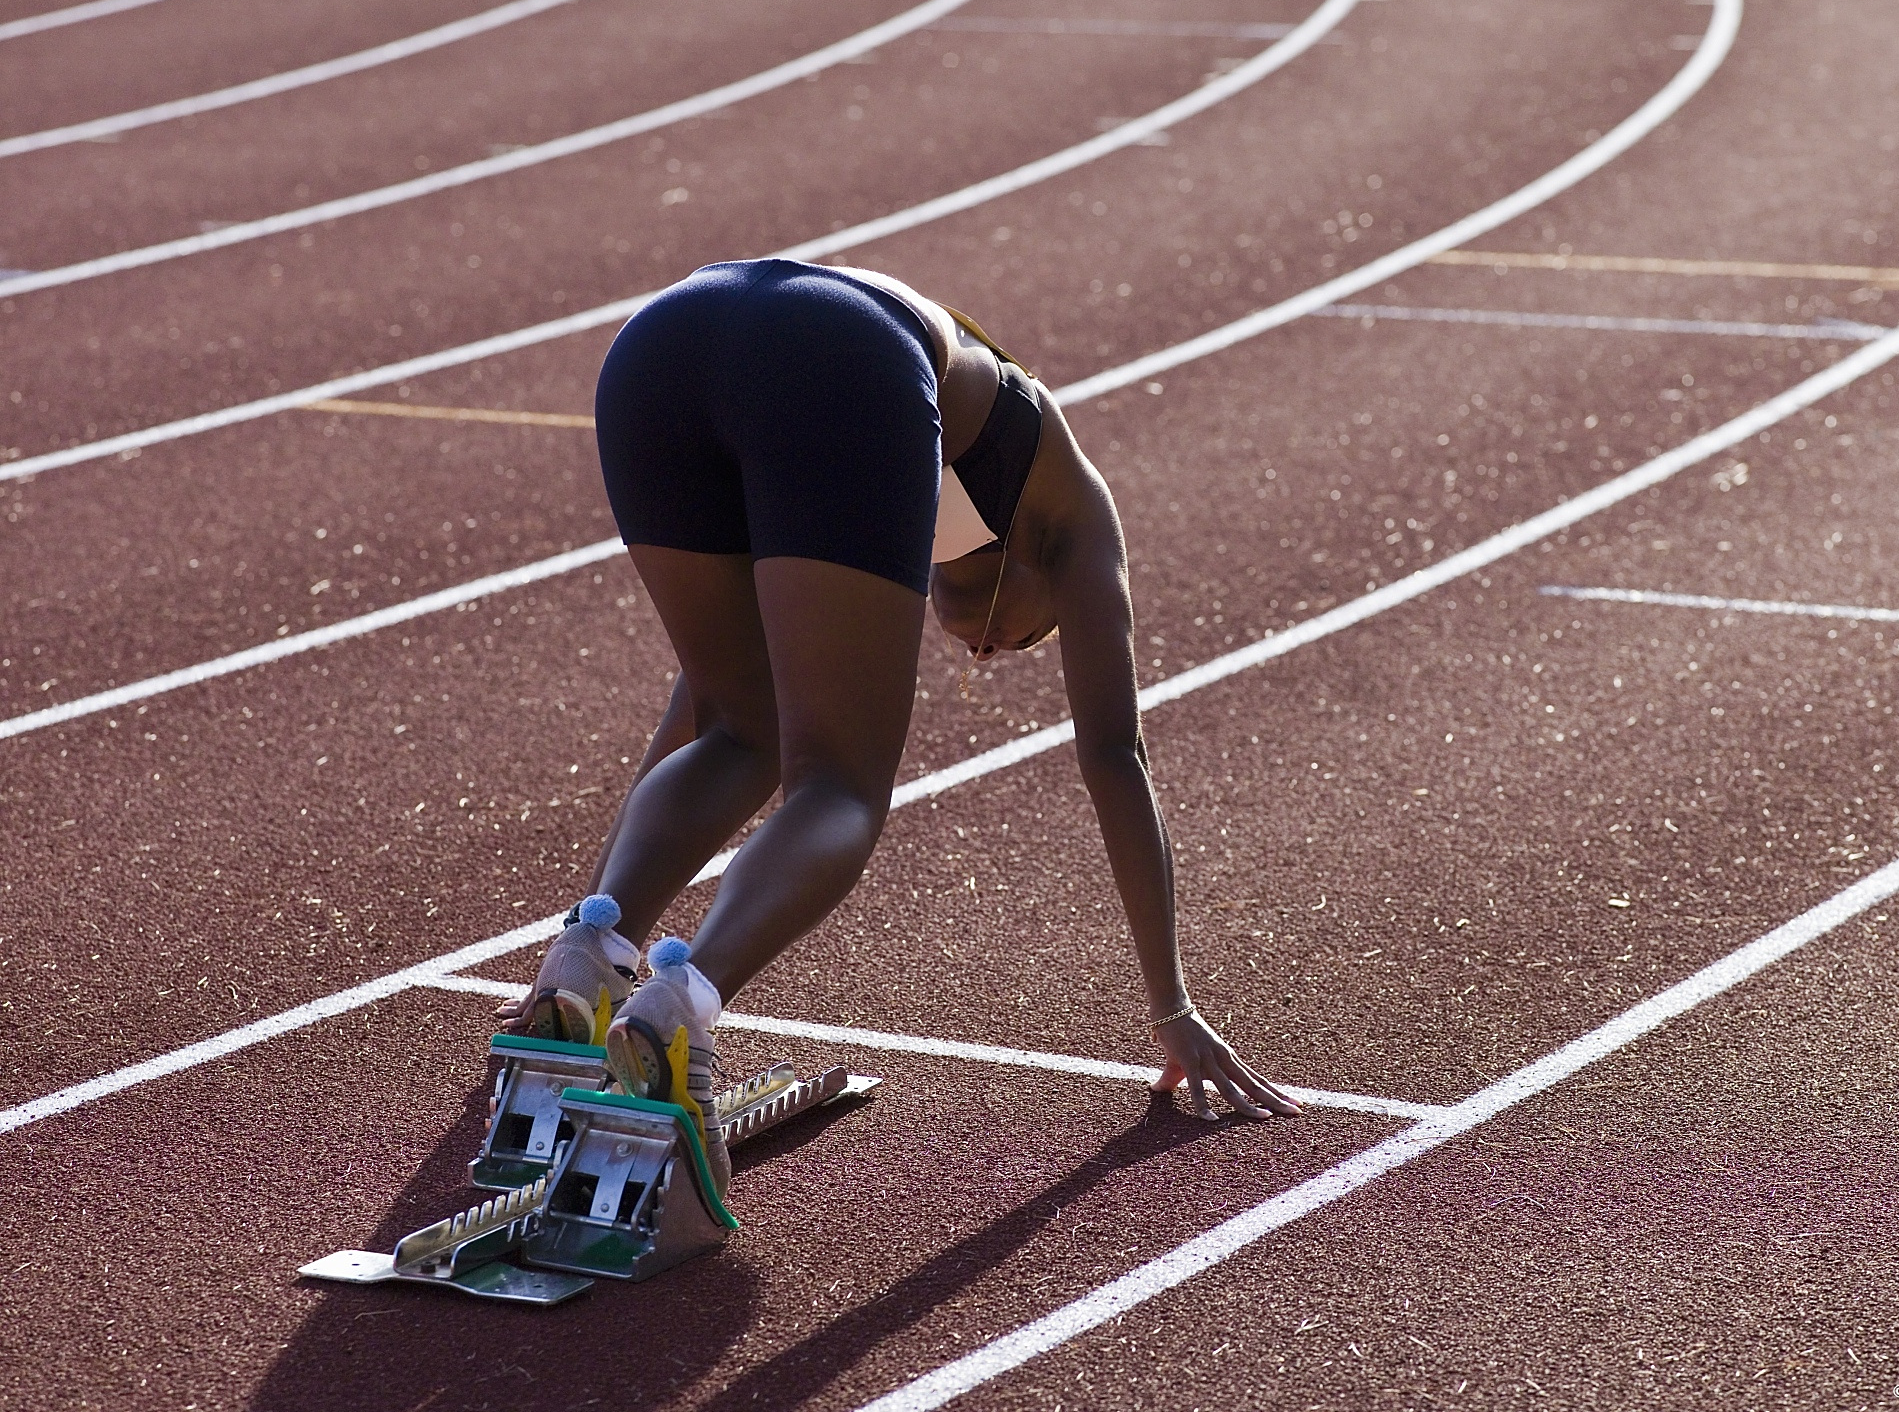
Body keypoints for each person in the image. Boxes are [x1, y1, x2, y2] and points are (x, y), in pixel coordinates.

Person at [497, 257, 1301, 1197]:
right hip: (830, 351)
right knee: (837, 782)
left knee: (740, 724)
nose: (991, 652)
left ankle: (590, 965)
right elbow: (1116, 756)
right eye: (1033, 633)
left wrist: (596, 923)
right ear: (1041, 573)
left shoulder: (898, 482)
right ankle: (679, 1008)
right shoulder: (1073, 509)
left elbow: (701, 709)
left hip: (665, 341)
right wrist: (1172, 1004)